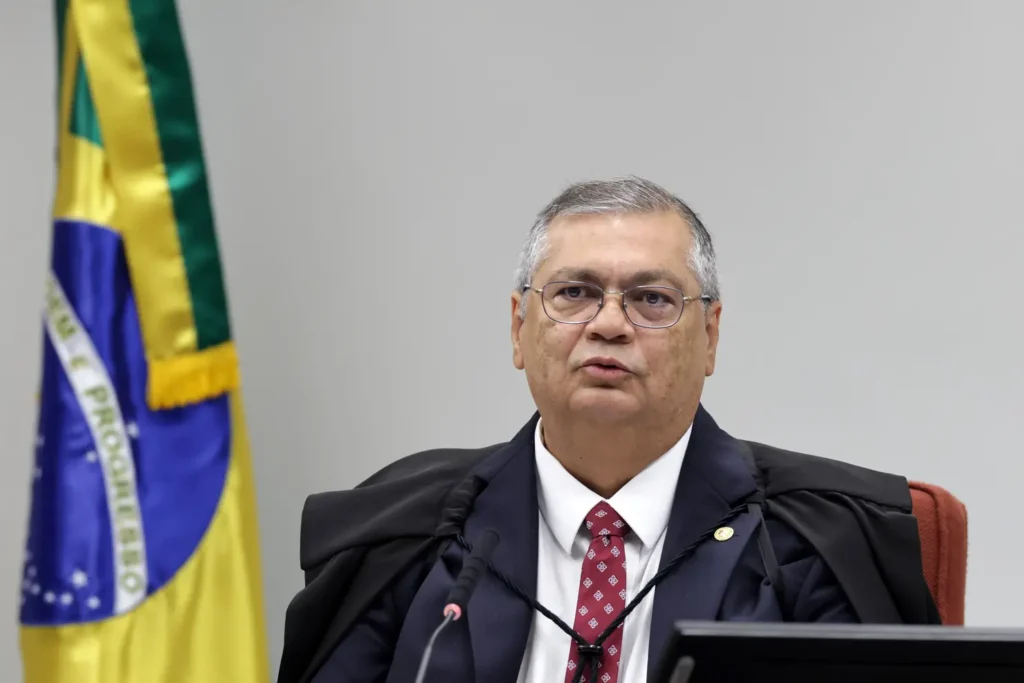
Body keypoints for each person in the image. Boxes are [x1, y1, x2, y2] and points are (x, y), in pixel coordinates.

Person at [277, 177, 939, 683]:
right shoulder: (405, 535)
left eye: (652, 299)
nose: (610, 324)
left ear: (710, 337)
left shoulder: (817, 539)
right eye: (575, 293)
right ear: (518, 328)